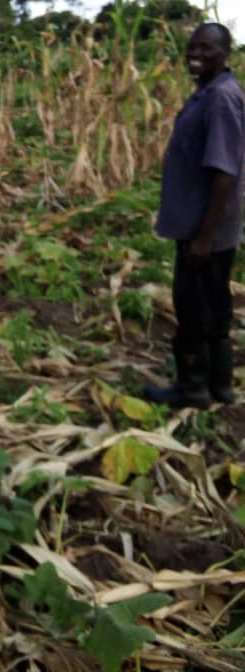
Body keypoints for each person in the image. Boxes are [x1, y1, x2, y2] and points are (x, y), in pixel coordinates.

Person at [145, 23, 245, 408]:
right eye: (192, 47)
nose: (196, 54)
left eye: (206, 48)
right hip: (210, 227)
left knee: (192, 311)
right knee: (215, 308)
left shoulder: (220, 99)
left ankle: (193, 389)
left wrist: (203, 237)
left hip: (204, 230)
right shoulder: (210, 93)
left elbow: (223, 173)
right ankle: (220, 386)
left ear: (225, 53)